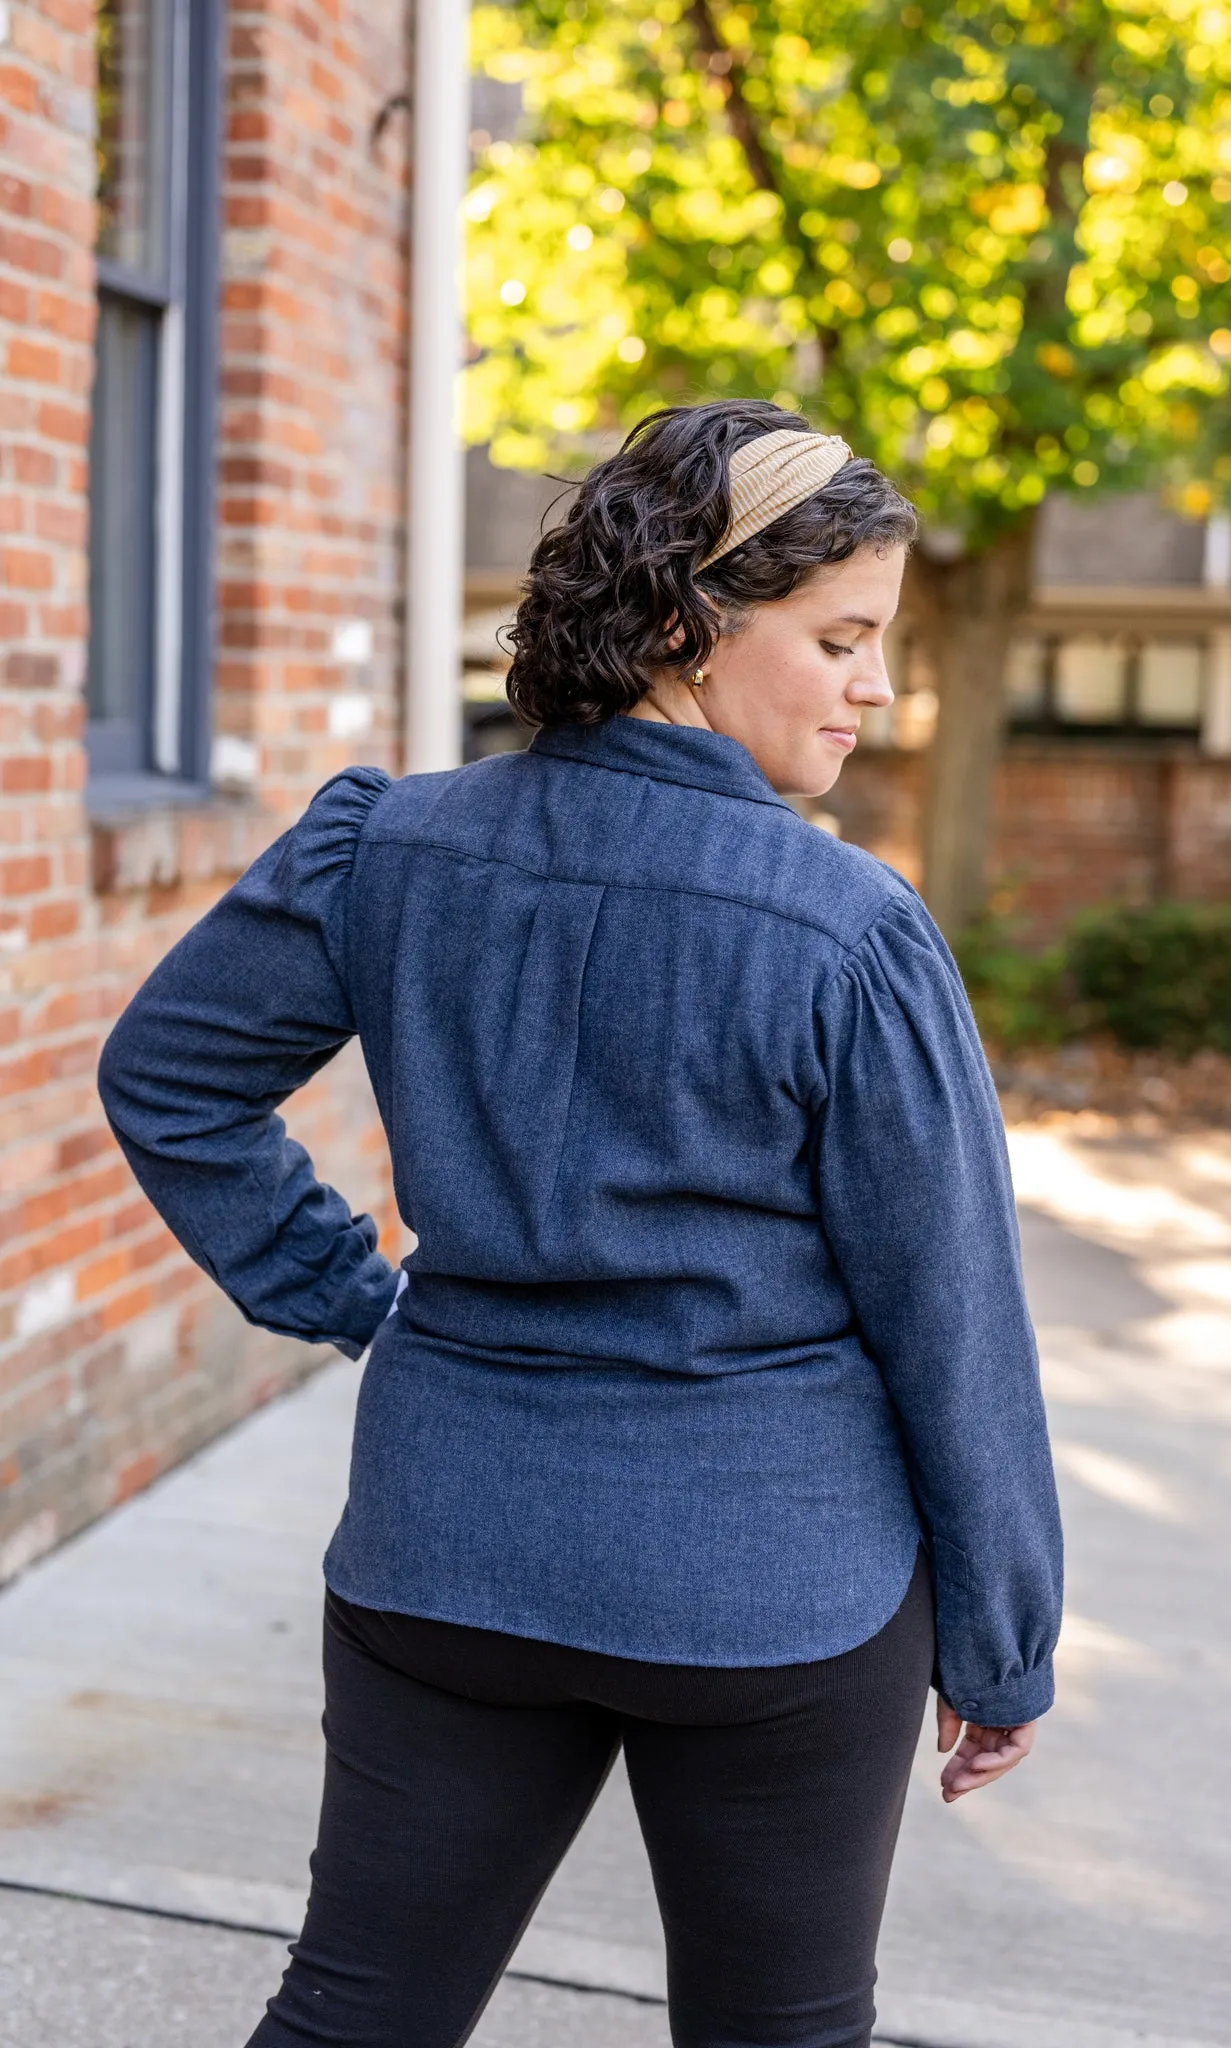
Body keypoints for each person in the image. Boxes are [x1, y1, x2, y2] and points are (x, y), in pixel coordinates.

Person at [98, 398, 1062, 2048]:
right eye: (840, 638)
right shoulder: (851, 930)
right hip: (777, 1594)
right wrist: (1004, 1644)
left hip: (446, 1556)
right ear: (690, 621)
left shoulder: (388, 845)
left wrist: (354, 1295)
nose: (877, 687)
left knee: (354, 2019)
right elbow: (950, 1315)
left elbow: (168, 1081)